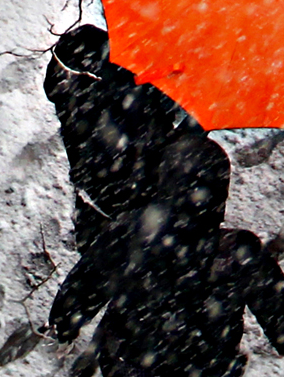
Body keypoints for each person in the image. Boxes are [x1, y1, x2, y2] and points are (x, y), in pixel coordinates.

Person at [48, 132, 284, 377]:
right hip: (204, 355)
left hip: (136, 352)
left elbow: (87, 281)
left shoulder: (129, 232)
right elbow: (275, 303)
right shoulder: (237, 250)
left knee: (130, 347)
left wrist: (64, 321)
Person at [44, 24, 201, 249]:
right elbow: (164, 146)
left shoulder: (77, 99)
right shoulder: (118, 97)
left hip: (108, 216)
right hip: (142, 211)